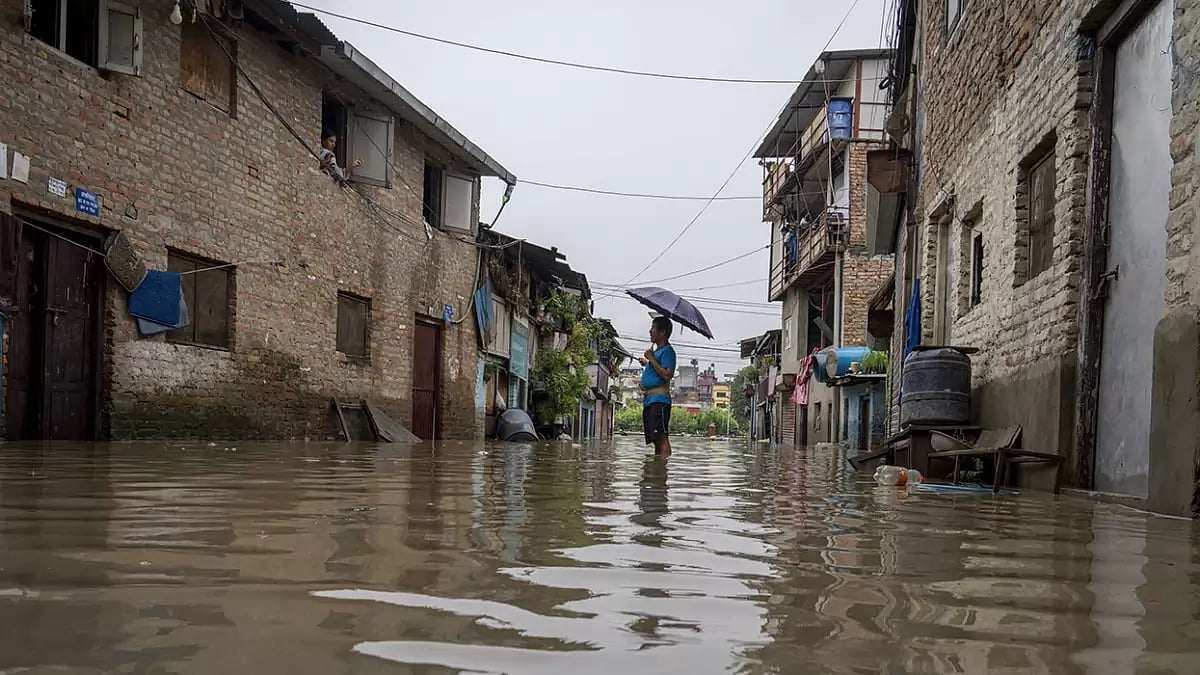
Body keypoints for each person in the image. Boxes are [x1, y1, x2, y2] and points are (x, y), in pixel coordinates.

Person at [639, 316, 677, 456]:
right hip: (650, 400)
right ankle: (657, 471)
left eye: (653, 328)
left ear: (662, 332)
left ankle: (662, 470)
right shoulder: (657, 352)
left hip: (659, 401)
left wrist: (652, 359)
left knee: (661, 437)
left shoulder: (668, 351)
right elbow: (656, 370)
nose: (650, 331)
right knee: (655, 439)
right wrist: (647, 362)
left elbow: (667, 374)